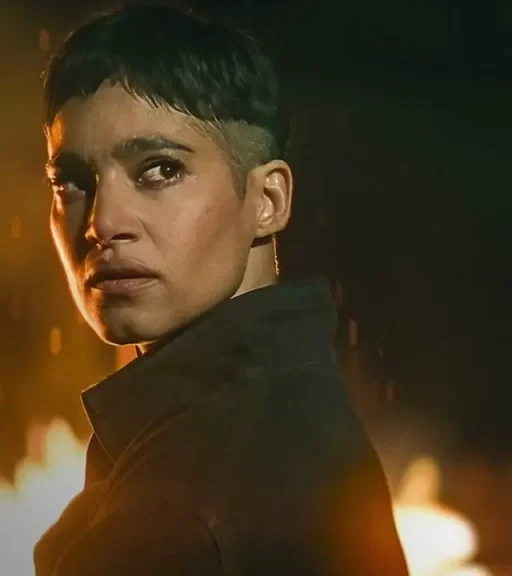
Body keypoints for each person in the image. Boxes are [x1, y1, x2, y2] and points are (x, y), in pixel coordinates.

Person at [34, 4, 409, 575]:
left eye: (160, 169)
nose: (103, 223)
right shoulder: (285, 416)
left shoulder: (188, 502)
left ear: (268, 201)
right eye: (71, 183)